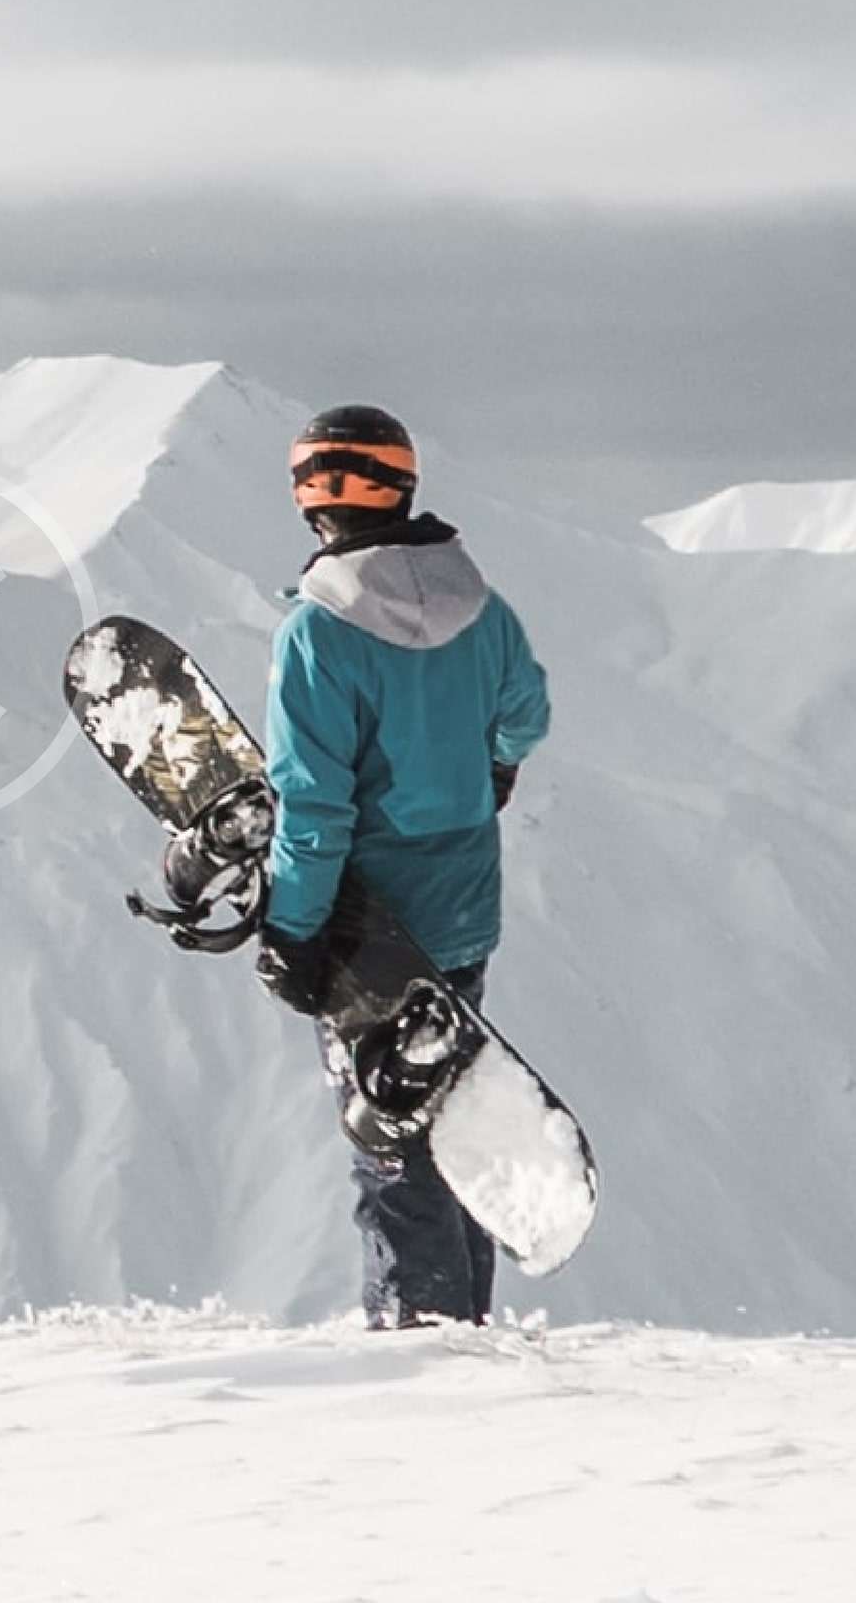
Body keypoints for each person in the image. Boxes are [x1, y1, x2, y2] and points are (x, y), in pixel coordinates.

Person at [254, 404, 550, 1329]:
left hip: (366, 927)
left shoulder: (318, 634)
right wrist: (491, 764)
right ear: (406, 482)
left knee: (389, 1141)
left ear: (310, 499)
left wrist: (293, 929)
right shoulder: (483, 611)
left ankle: (420, 1355)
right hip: (463, 906)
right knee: (452, 1119)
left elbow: (313, 806)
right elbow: (528, 716)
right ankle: (462, 1334)